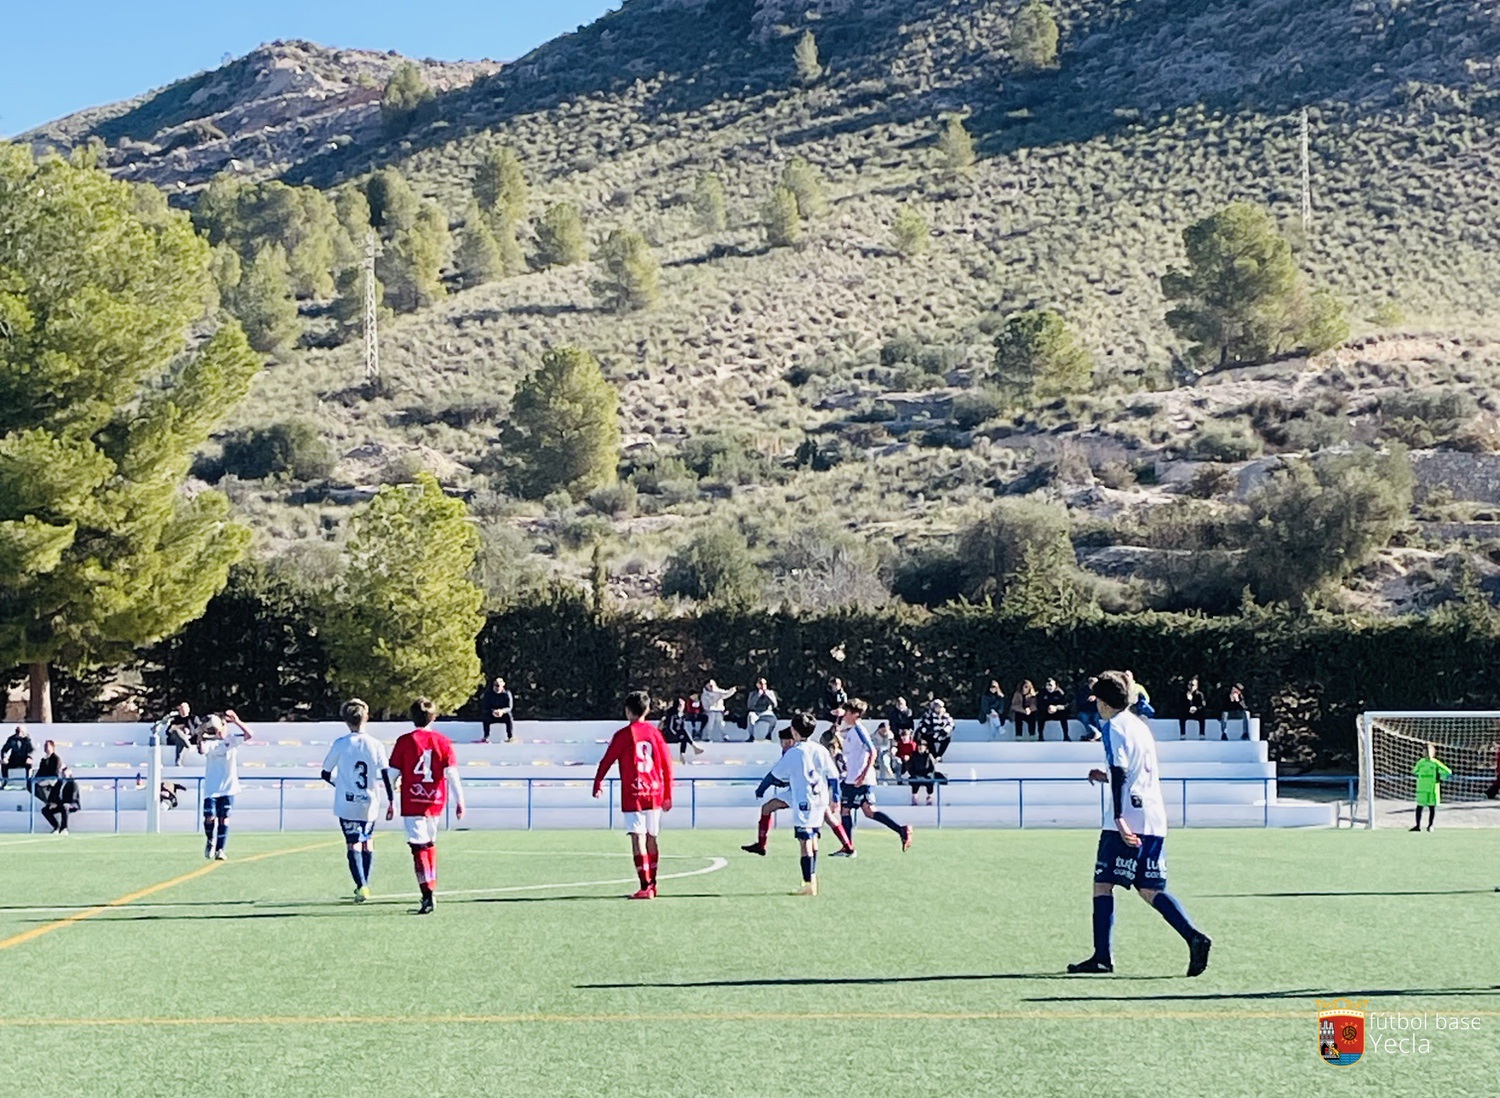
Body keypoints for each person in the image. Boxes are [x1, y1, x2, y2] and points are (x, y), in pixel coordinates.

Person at [1069, 671, 1212, 978]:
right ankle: (1194, 937)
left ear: (1103, 702)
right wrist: (1105, 776)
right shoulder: (1139, 726)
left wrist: (1119, 817)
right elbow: (1135, 771)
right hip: (1154, 816)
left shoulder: (1113, 727)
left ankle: (1102, 957)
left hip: (1128, 817)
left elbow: (1122, 771)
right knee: (1149, 888)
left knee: (1102, 884)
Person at [593, 691, 674, 899]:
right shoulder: (655, 734)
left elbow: (607, 760)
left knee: (637, 837)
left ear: (627, 711)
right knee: (652, 837)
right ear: (647, 710)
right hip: (655, 792)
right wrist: (668, 793)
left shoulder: (623, 735)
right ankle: (652, 885)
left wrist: (598, 782)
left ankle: (645, 885)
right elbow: (667, 764)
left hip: (634, 793)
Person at [387, 698, 465, 915]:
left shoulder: (404, 741)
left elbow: (391, 774)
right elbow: (451, 774)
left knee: (418, 847)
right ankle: (431, 887)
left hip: (413, 800)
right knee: (429, 843)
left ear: (411, 718)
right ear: (434, 717)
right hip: (435, 800)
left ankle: (427, 892)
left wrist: (391, 800)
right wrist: (460, 801)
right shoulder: (443, 741)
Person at [752, 713, 842, 895]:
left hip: (804, 801)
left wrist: (761, 789)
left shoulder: (795, 752)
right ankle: (813, 879)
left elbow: (774, 775)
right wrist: (836, 797)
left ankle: (808, 884)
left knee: (804, 842)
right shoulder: (820, 749)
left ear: (793, 731)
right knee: (813, 838)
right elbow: (833, 776)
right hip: (820, 799)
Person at [322, 698, 395, 902]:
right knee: (367, 841)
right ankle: (366, 883)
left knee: (352, 843)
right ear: (367, 718)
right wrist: (391, 801)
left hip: (347, 803)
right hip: (370, 802)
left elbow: (325, 773)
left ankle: (361, 885)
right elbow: (385, 774)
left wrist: (340, 785)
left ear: (346, 721)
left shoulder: (341, 744)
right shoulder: (376, 745)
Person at [833, 699, 913, 856]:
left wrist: (863, 775)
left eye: (847, 712)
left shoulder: (859, 730)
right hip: (854, 777)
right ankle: (901, 830)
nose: (845, 715)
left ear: (855, 714)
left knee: (845, 810)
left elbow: (873, 752)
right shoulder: (852, 730)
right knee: (867, 811)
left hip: (858, 779)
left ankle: (848, 848)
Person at [198, 711, 252, 861]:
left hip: (228, 788)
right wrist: (201, 733)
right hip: (212, 788)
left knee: (224, 819)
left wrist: (237, 721)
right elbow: (201, 750)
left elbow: (249, 735)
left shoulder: (232, 740)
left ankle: (220, 850)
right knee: (210, 817)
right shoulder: (210, 742)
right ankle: (210, 840)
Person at [1411, 743, 1452, 832]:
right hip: (1422, 788)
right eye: (1425, 751)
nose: (1427, 753)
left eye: (1429, 751)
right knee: (1419, 807)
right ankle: (1417, 826)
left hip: (1432, 788)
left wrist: (1440, 777)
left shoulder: (1435, 763)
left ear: (1433, 752)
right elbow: (1415, 771)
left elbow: (1448, 771)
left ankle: (1430, 825)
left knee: (1431, 807)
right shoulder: (1421, 762)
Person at [661, 697, 704, 763]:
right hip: (669, 735)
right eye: (681, 705)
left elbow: (682, 727)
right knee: (684, 733)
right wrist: (676, 735)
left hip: (678, 735)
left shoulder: (681, 716)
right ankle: (694, 747)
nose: (683, 707)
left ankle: (682, 755)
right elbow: (669, 728)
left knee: (684, 736)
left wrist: (679, 735)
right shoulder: (671, 715)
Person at [41, 767, 80, 834]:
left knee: (65, 806)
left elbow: (72, 798)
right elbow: (52, 795)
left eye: (65, 773)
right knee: (45, 810)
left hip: (71, 804)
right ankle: (56, 827)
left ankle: (64, 828)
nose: (64, 775)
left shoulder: (73, 784)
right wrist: (51, 803)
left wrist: (58, 804)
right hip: (60, 804)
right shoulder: (58, 784)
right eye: (63, 773)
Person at [481, 677, 515, 743]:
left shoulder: (507, 694)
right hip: (492, 715)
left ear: (503, 685)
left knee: (509, 716)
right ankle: (486, 737)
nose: (497, 688)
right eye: (495, 685)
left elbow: (509, 707)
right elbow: (485, 707)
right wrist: (493, 711)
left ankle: (510, 737)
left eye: (499, 686)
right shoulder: (488, 694)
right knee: (485, 716)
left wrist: (502, 711)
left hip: (503, 715)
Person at [745, 678, 779, 742]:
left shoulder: (770, 693)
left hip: (766, 712)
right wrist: (758, 695)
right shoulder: (753, 693)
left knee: (773, 719)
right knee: (750, 716)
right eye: (761, 683)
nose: (763, 685)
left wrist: (767, 695)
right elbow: (750, 705)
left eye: (765, 683)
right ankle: (751, 736)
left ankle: (769, 734)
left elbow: (775, 705)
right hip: (756, 713)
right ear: (757, 685)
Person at [1, 725, 34, 790]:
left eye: (20, 731)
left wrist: (29, 757)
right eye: (17, 731)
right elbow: (4, 750)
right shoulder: (11, 739)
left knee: (29, 765)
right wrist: (4, 757)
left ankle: (28, 782)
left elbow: (31, 750)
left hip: (23, 760)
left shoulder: (27, 740)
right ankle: (5, 781)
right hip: (14, 759)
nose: (18, 733)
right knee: (4, 764)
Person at [905, 740, 937, 806]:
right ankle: (914, 797)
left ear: (925, 747)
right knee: (914, 783)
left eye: (922, 746)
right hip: (916, 775)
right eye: (919, 746)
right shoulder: (913, 755)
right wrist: (914, 774)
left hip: (926, 775)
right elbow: (909, 767)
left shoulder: (928, 756)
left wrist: (927, 774)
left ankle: (929, 797)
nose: (920, 748)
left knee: (930, 783)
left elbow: (932, 768)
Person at [1073, 677, 1102, 742]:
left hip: (1095, 710)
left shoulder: (1098, 691)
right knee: (1084, 718)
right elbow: (1079, 702)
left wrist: (1096, 699)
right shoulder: (1083, 691)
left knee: (1096, 719)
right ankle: (1092, 733)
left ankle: (1097, 734)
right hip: (1085, 710)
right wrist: (1088, 700)